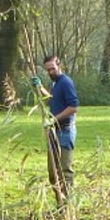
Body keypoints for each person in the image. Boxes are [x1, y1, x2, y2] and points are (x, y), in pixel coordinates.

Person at [39, 54, 79, 201]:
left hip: (65, 131)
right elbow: (53, 98)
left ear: (59, 66)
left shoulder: (66, 82)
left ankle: (68, 209)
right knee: (52, 172)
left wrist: (54, 119)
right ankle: (60, 205)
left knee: (64, 172)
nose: (50, 72)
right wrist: (40, 88)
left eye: (53, 69)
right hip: (54, 131)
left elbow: (73, 107)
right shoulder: (55, 84)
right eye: (48, 70)